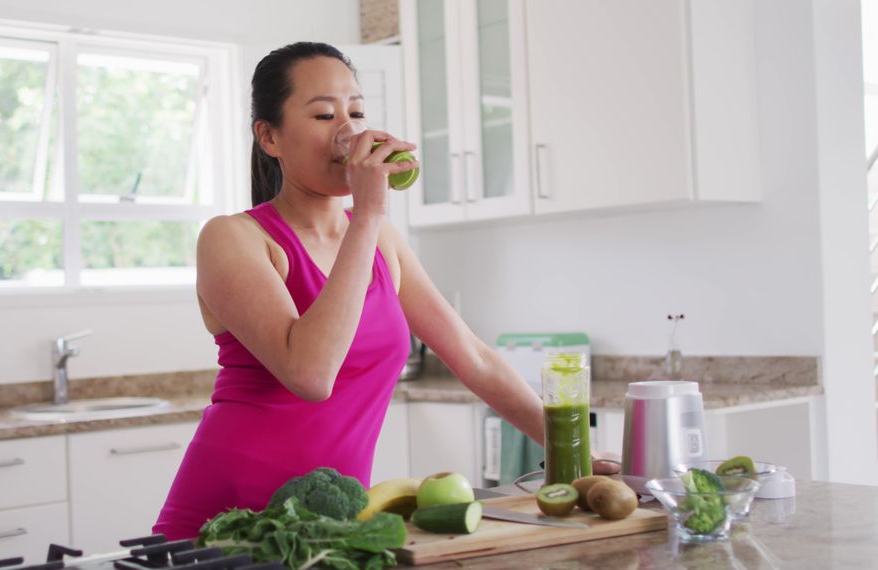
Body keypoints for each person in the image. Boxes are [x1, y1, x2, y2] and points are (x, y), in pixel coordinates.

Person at [152, 42, 614, 540]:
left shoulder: (379, 242)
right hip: (226, 521)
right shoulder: (232, 238)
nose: (348, 130)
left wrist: (577, 456)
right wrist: (369, 213)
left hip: (334, 527)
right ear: (269, 137)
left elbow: (472, 357)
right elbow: (310, 374)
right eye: (325, 114)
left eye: (356, 111)